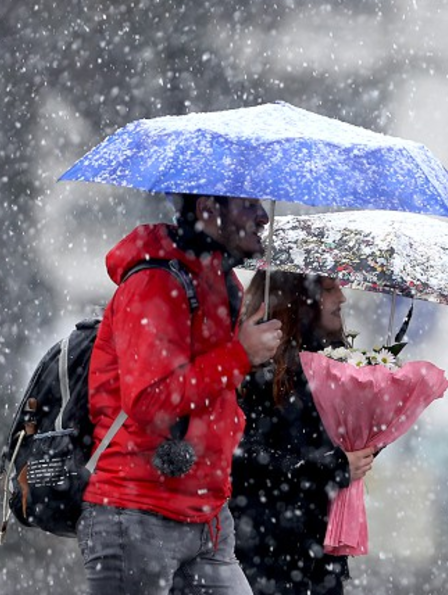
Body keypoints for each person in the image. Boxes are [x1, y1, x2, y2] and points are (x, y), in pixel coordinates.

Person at [80, 194, 284, 594]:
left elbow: (208, 391)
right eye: (247, 206)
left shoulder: (220, 283)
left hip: (207, 516)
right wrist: (239, 355)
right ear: (208, 207)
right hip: (137, 514)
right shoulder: (155, 282)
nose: (262, 216)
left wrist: (246, 361)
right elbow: (149, 401)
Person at [232, 271, 377, 595]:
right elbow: (242, 455)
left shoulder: (335, 363)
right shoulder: (255, 369)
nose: (341, 298)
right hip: (264, 550)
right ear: (299, 299)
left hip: (319, 551)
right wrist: (333, 467)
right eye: (329, 289)